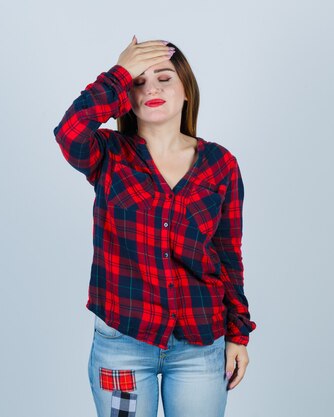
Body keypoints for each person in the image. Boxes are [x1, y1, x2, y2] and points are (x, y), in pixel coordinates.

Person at [53, 35, 257, 417]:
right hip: (123, 345)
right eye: (139, 82)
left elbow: (229, 255)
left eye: (164, 78)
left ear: (185, 91)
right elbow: (69, 132)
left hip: (200, 345)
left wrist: (238, 335)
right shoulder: (109, 154)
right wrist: (118, 73)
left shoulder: (220, 165)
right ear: (127, 98)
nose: (152, 89)